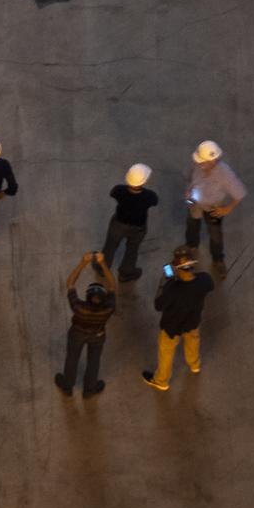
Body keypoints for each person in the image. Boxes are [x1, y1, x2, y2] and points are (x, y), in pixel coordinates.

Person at [142, 246, 215, 391]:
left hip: (171, 327)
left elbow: (158, 305)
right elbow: (210, 286)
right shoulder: (204, 279)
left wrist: (164, 282)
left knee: (166, 352)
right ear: (192, 264)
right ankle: (194, 365)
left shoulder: (172, 288)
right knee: (192, 343)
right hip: (192, 322)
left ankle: (161, 380)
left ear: (176, 267)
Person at [54, 252, 116, 398]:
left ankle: (67, 386)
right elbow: (112, 286)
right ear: (104, 298)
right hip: (98, 335)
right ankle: (89, 390)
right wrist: (102, 263)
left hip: (77, 333)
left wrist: (82, 262)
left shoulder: (79, 307)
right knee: (94, 361)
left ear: (86, 297)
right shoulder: (109, 308)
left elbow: (70, 283)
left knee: (72, 358)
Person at [184, 141, 246, 275]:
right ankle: (192, 245)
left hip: (213, 207)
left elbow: (239, 192)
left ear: (213, 161)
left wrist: (228, 208)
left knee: (215, 234)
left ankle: (218, 259)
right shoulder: (198, 166)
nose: (199, 163)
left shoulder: (225, 173)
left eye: (202, 162)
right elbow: (191, 178)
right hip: (195, 202)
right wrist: (189, 191)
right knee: (192, 224)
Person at [100, 164, 158, 281]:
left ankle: (102, 268)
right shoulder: (149, 196)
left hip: (118, 224)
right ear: (143, 182)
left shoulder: (119, 190)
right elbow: (155, 202)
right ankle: (126, 273)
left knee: (110, 246)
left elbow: (112, 193)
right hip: (138, 227)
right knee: (132, 249)